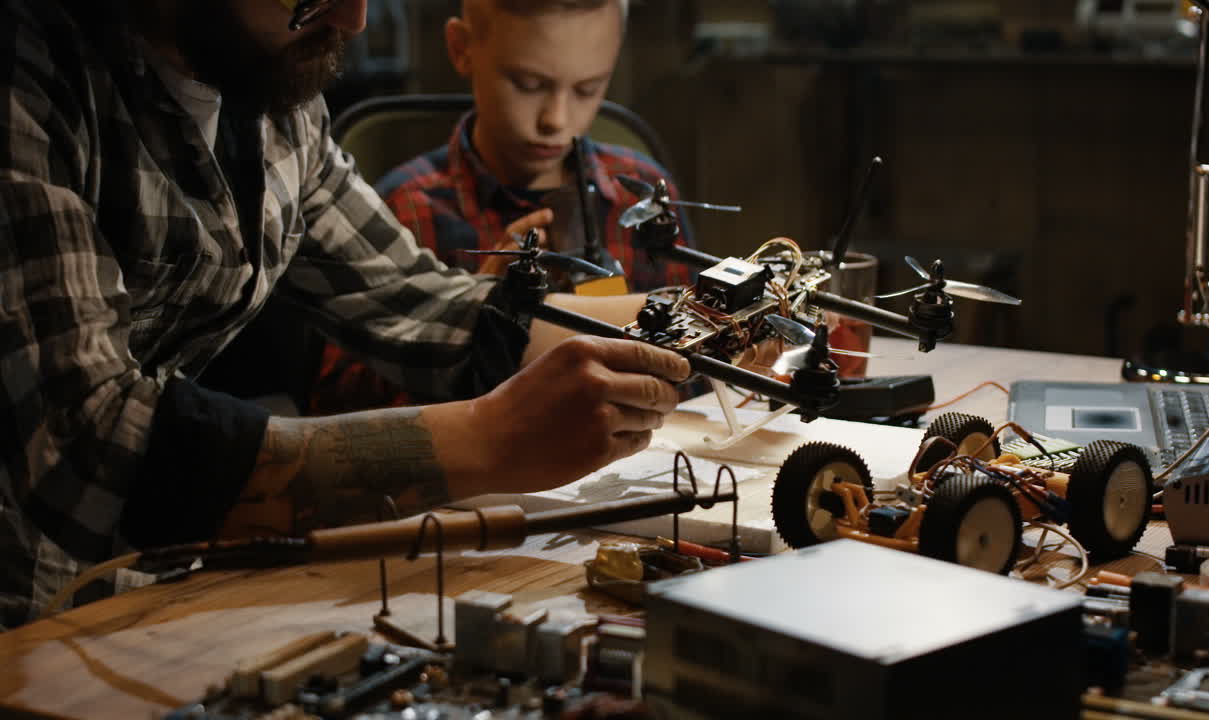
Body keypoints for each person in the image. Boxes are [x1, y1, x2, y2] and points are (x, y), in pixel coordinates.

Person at [0, 0, 689, 629]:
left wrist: (707, 317)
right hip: (25, 612)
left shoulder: (269, 93)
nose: (355, 20)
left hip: (147, 593)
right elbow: (87, 446)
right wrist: (491, 438)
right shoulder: (30, 82)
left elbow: (419, 302)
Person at [309, 0, 693, 415]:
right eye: (528, 84)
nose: (556, 120)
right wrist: (473, 314)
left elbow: (697, 368)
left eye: (588, 88)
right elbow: (338, 407)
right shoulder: (407, 209)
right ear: (461, 48)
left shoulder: (641, 198)